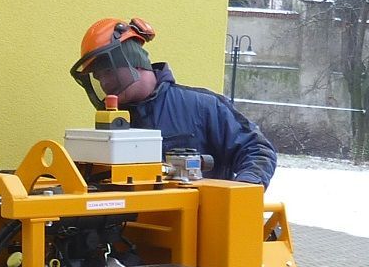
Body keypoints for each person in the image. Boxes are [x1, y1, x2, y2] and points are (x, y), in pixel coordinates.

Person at [70, 17, 277, 189]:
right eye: (97, 77)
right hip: (134, 233)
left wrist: (242, 192)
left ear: (132, 59)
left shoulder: (202, 107)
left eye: (107, 71)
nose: (104, 82)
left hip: (200, 232)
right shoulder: (115, 128)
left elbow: (258, 149)